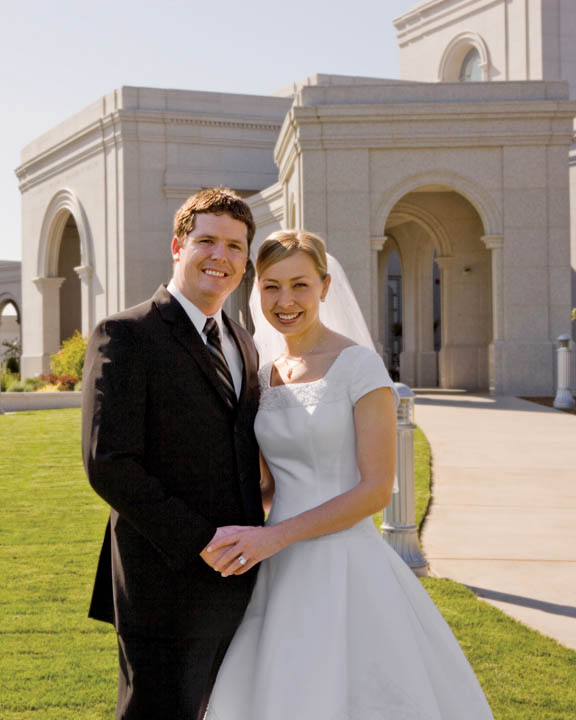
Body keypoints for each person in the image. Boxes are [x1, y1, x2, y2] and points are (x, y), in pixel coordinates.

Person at [205, 230, 494, 719]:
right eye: (271, 286)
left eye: (300, 284)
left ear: (324, 286)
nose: (285, 300)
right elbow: (267, 483)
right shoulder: (263, 371)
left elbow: (377, 489)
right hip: (275, 565)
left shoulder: (358, 366)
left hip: (343, 562)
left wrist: (275, 538)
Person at [81, 188, 264, 720]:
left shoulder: (243, 342)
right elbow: (108, 462)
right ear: (177, 247)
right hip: (162, 579)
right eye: (206, 240)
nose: (220, 256)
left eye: (234, 246)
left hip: (238, 575)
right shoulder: (127, 334)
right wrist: (201, 541)